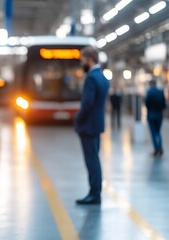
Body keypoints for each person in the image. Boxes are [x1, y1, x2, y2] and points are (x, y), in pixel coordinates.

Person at [74, 46, 109, 205]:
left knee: (91, 160)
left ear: (89, 58)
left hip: (88, 126)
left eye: (82, 59)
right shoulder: (102, 77)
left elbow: (87, 104)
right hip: (97, 124)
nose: (81, 62)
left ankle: (94, 194)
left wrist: (77, 119)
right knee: (95, 158)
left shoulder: (91, 78)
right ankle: (96, 192)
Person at [145, 79, 166, 156]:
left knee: (153, 133)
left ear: (150, 84)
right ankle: (160, 147)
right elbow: (164, 104)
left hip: (151, 115)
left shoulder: (149, 92)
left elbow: (147, 103)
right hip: (159, 115)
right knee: (158, 132)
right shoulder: (161, 92)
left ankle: (156, 148)